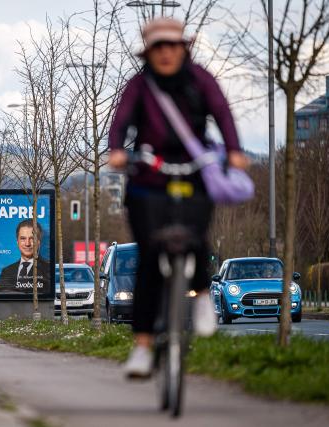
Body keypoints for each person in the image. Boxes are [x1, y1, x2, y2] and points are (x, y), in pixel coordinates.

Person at [107, 18, 249, 379]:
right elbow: (121, 120)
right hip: (149, 177)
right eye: (158, 47)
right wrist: (116, 150)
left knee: (196, 236)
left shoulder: (200, 79)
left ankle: (202, 296)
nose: (166, 53)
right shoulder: (139, 85)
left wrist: (234, 151)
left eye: (172, 46)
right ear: (149, 53)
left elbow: (223, 113)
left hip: (194, 170)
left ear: (183, 48)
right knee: (150, 257)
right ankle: (142, 348)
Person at [0, 219, 51, 294]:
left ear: (38, 242)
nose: (27, 243)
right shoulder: (7, 271)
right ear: (17, 242)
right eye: (23, 238)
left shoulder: (48, 269)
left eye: (32, 238)